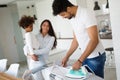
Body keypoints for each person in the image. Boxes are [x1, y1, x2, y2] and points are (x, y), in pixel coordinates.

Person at [52, 0, 106, 78]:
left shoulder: (86, 13)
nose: (64, 17)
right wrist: (67, 56)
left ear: (68, 8)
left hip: (95, 57)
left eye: (63, 14)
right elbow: (76, 40)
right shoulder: (72, 18)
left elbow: (94, 40)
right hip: (85, 56)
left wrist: (80, 61)